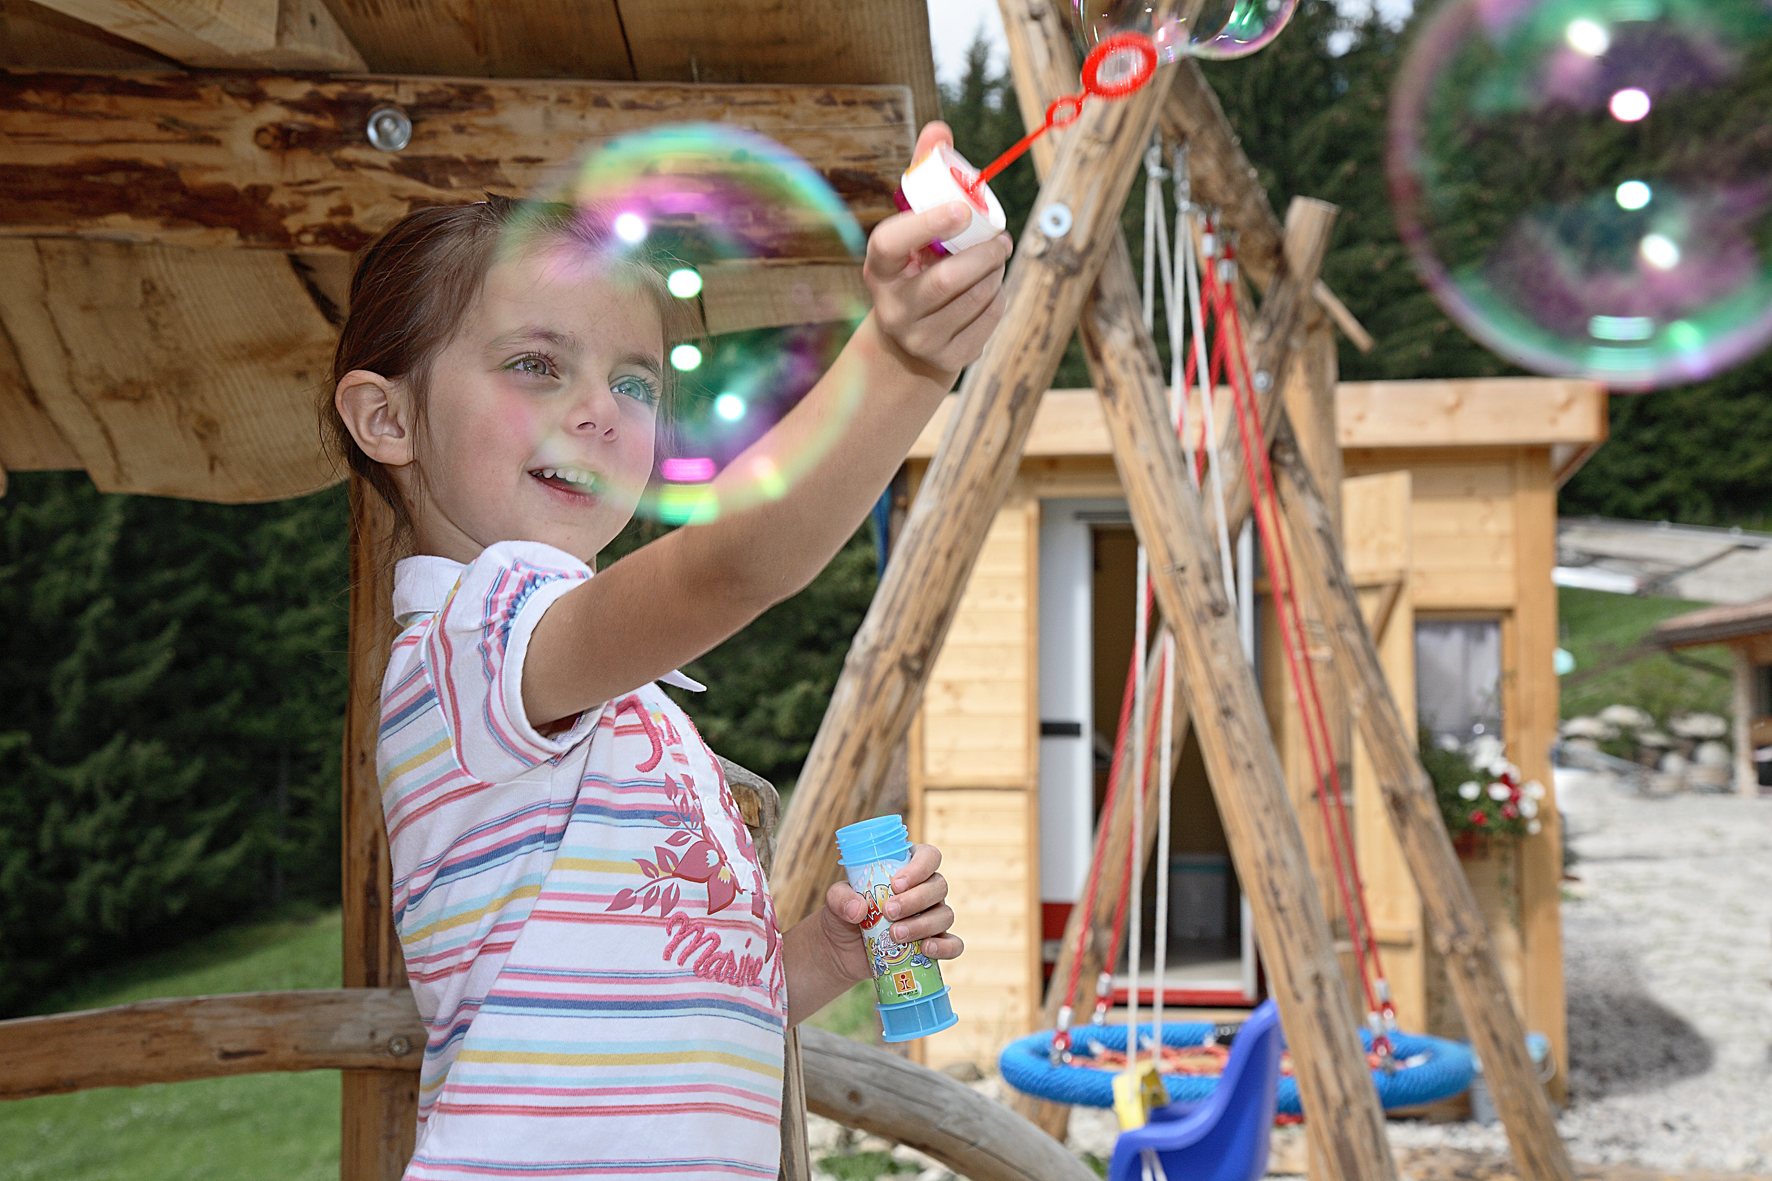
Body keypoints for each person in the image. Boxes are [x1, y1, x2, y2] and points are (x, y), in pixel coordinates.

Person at [323, 122, 1010, 1180]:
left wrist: (823, 953)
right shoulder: (475, 633)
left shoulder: (607, 701)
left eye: (638, 382)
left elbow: (675, 1014)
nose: (601, 411)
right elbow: (726, 566)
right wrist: (903, 356)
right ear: (387, 417)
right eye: (536, 364)